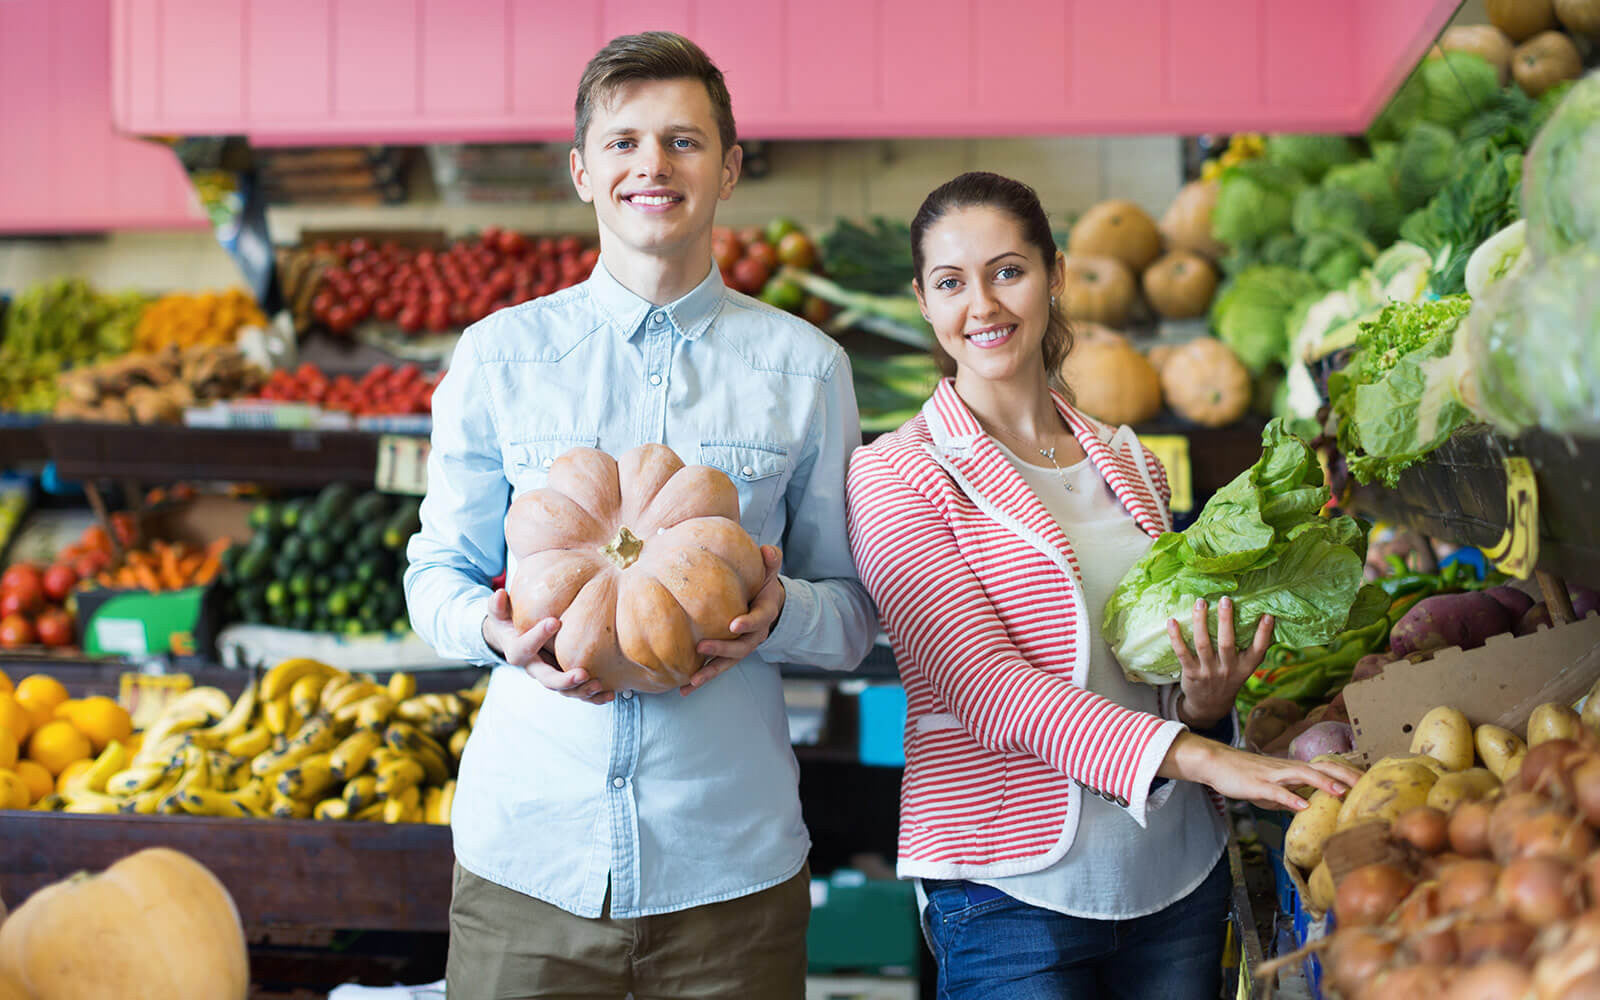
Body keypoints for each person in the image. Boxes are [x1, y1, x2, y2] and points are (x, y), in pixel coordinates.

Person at [404, 31, 876, 1000]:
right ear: (583, 170)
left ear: (730, 167)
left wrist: (779, 610)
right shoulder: (500, 356)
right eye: (622, 142)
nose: (651, 165)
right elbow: (433, 575)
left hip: (729, 872)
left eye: (682, 141)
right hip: (529, 861)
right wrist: (498, 632)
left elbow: (858, 612)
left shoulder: (804, 368)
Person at [843, 172, 1361, 1000]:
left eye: (1007, 271)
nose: (983, 304)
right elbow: (982, 686)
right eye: (951, 282)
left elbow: (1142, 679)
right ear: (924, 302)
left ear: (1053, 272)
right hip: (1012, 893)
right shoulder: (896, 474)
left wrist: (1199, 701)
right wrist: (1204, 755)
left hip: (1175, 880)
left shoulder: (1128, 459)